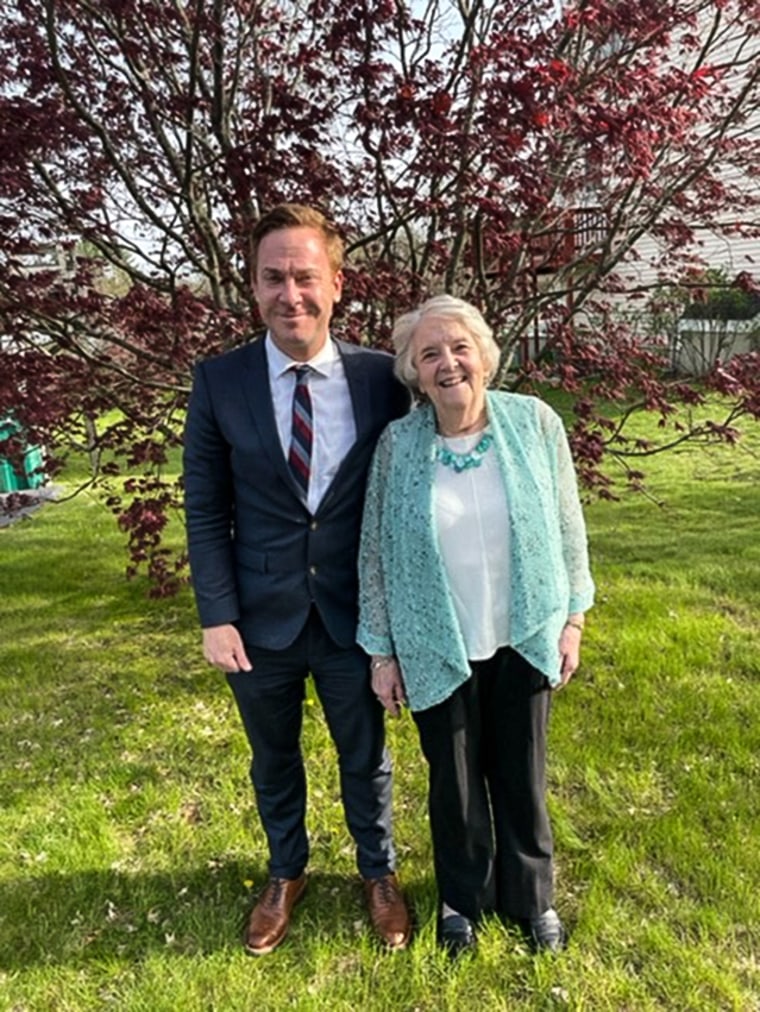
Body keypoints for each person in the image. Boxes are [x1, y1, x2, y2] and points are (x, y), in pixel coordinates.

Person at [183, 203, 412, 956]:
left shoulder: (384, 380)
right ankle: (286, 872)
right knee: (272, 755)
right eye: (273, 277)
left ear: (337, 284)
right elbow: (207, 505)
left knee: (364, 753)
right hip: (258, 617)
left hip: (354, 615)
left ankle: (377, 873)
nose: (291, 294)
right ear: (253, 287)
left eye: (305, 276)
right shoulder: (220, 381)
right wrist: (216, 615)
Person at [357, 294, 595, 957]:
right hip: (437, 641)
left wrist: (572, 619)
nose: (447, 363)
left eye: (459, 347)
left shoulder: (534, 424)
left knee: (522, 773)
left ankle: (532, 898)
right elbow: (373, 550)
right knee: (454, 781)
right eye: (429, 353)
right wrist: (381, 651)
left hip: (525, 631)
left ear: (484, 354)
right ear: (413, 371)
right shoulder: (399, 445)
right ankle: (462, 897)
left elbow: (568, 527)